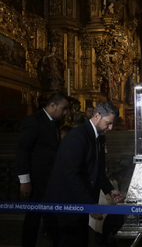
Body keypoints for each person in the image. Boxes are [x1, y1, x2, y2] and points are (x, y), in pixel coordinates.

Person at [44, 102, 125, 247]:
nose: (111, 128)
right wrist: (89, 205)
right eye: (108, 123)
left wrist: (110, 190)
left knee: (81, 241)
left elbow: (97, 170)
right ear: (97, 116)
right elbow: (71, 175)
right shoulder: (77, 137)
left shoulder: (97, 137)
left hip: (79, 201)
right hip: (67, 202)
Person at [15, 93, 70, 247]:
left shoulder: (53, 123)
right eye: (63, 108)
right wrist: (25, 181)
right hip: (36, 180)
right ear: (52, 105)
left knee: (52, 216)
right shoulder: (34, 121)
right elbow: (22, 151)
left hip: (50, 180)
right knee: (33, 218)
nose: (65, 112)